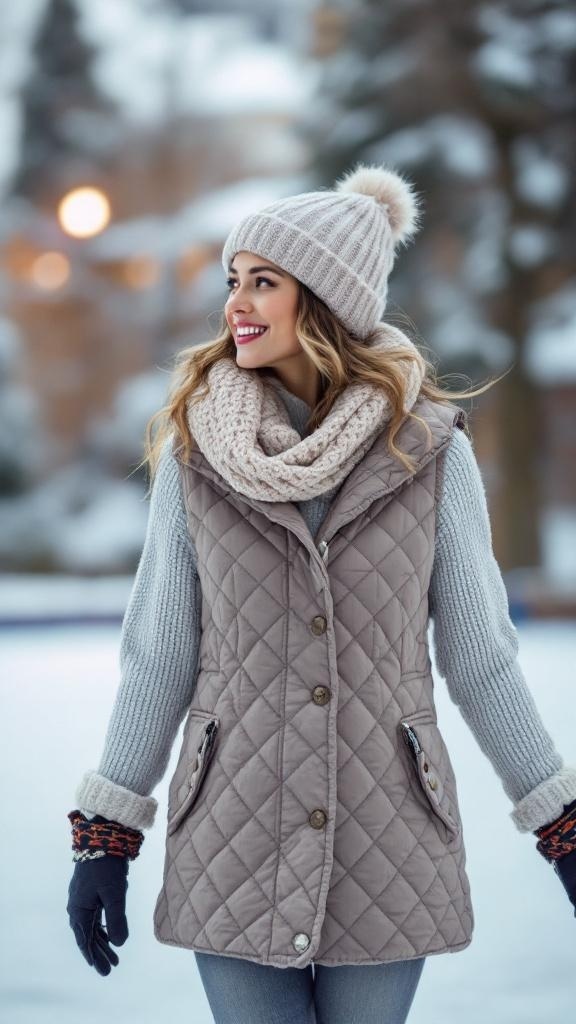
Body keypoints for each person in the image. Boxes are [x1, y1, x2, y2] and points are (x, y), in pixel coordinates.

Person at [66, 163, 576, 1024]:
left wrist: (560, 821)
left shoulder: (431, 452)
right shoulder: (196, 456)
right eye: (233, 280)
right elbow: (159, 655)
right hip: (233, 824)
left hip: (389, 832)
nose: (236, 303)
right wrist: (106, 832)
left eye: (263, 282)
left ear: (327, 300)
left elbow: (480, 657)